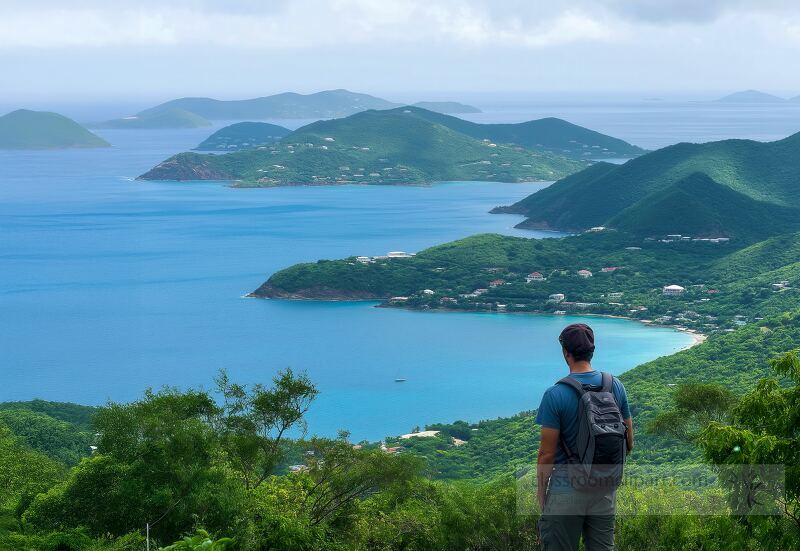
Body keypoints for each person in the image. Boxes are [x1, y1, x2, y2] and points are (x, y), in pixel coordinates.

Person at [536, 323, 633, 551]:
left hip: (565, 490)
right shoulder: (615, 386)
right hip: (604, 489)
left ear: (565, 352)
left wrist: (542, 494)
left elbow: (546, 454)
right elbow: (628, 442)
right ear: (592, 351)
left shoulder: (555, 394)